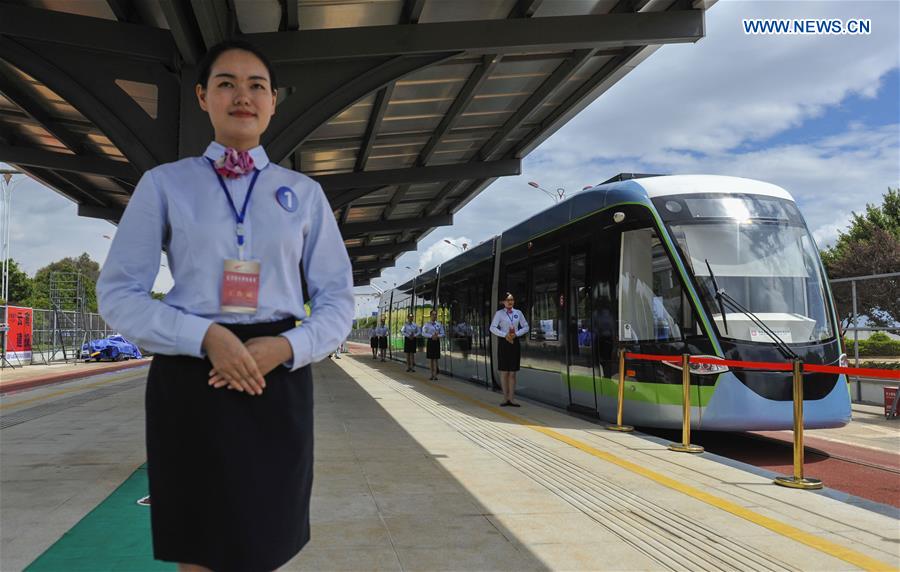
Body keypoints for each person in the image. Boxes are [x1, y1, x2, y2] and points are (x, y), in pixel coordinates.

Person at [96, 39, 353, 572]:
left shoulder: (303, 194)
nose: (243, 95)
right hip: (192, 377)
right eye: (226, 84)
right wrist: (206, 338)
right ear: (202, 97)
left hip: (276, 374)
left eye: (256, 85)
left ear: (274, 101)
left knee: (267, 541)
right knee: (199, 544)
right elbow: (118, 291)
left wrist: (287, 346)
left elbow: (337, 300)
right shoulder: (165, 184)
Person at [489, 293, 529, 407]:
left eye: (512, 299)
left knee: (512, 373)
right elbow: (492, 327)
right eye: (507, 300)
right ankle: (505, 398)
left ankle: (512, 398)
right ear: (503, 302)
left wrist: (516, 334)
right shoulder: (499, 314)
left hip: (514, 343)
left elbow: (526, 326)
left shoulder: (518, 313)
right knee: (504, 372)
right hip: (504, 343)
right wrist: (504, 334)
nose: (510, 302)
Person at [421, 310, 445, 381]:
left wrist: (438, 336)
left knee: (435, 358)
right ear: (430, 315)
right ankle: (432, 374)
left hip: (436, 342)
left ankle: (435, 375)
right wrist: (431, 336)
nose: (435, 316)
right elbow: (423, 333)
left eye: (435, 315)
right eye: (433, 315)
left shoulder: (439, 324)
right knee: (431, 359)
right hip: (430, 341)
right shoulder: (427, 324)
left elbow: (443, 333)